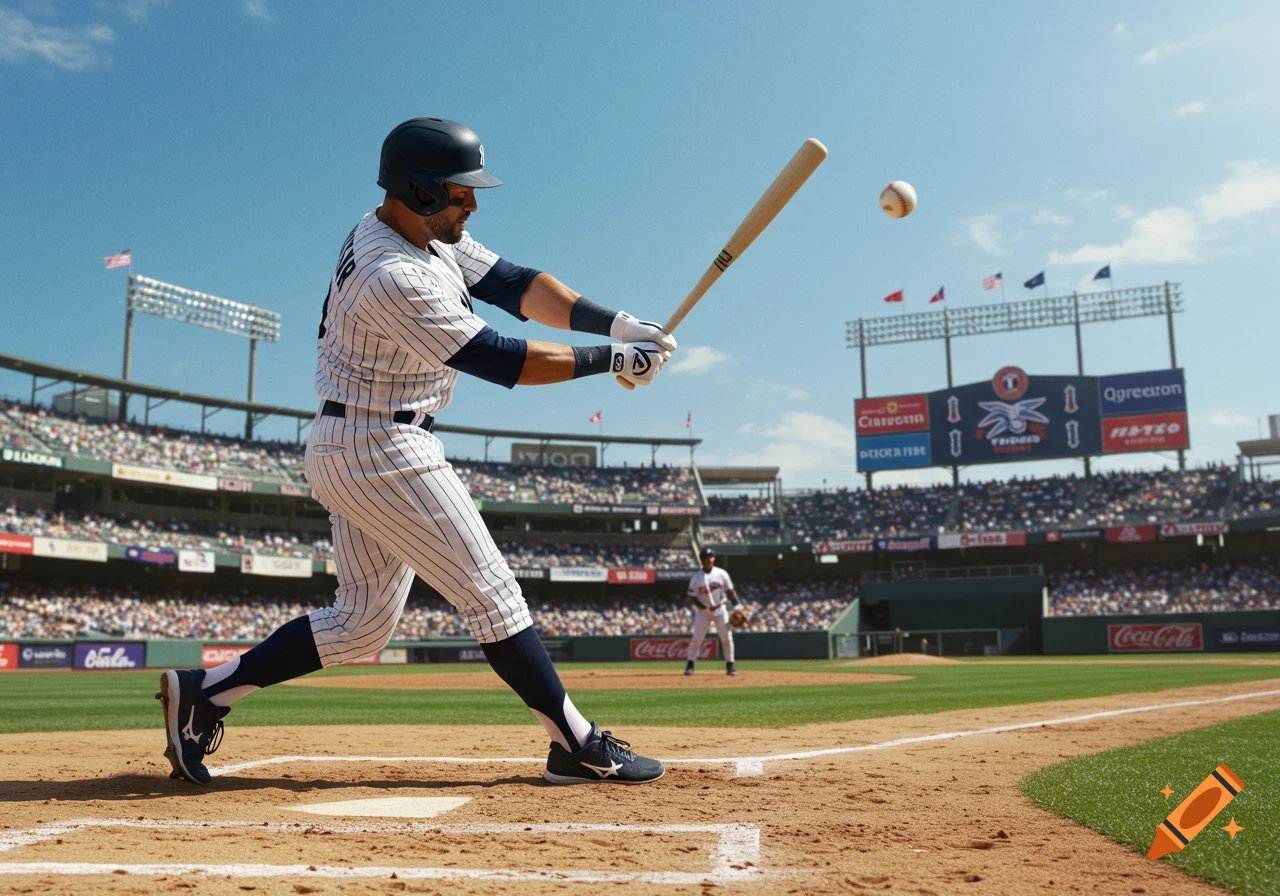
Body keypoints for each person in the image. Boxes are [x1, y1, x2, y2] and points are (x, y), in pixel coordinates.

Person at [157, 117, 677, 787]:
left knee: (360, 624)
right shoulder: (390, 272)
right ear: (420, 190)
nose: (474, 204)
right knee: (491, 593)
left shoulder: (418, 234)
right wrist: (610, 360)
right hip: (380, 443)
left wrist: (613, 322)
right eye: (462, 192)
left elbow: (514, 285)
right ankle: (575, 743)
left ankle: (206, 692)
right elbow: (498, 358)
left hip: (362, 439)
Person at [684, 547, 738, 676]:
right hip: (703, 613)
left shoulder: (721, 573)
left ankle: (730, 665)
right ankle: (690, 664)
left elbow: (730, 591)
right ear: (701, 560)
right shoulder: (697, 577)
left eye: (709, 557)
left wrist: (737, 606)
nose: (707, 559)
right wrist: (705, 608)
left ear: (713, 558)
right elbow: (692, 596)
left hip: (720, 611)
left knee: (727, 638)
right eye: (704, 557)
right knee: (697, 639)